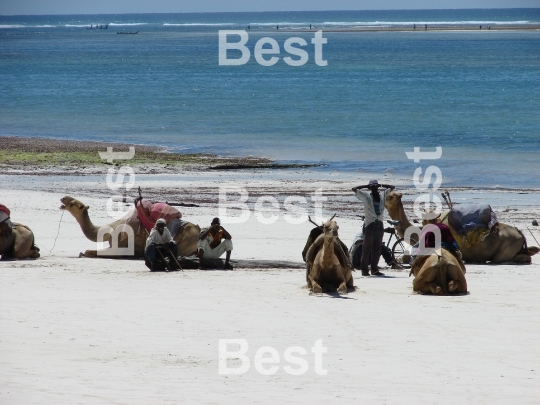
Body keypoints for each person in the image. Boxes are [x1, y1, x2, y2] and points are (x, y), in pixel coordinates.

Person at [351, 180, 395, 276]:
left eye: (376, 186)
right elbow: (354, 189)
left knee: (377, 248)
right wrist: (365, 185)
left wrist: (381, 185)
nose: (374, 188)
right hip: (370, 224)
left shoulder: (383, 195)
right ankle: (364, 271)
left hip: (379, 223)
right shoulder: (366, 196)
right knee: (366, 249)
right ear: (369, 188)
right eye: (372, 186)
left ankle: (374, 269)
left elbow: (392, 187)